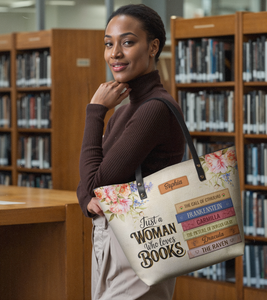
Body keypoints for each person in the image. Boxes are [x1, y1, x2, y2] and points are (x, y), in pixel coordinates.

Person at [77, 4, 185, 300]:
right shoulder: (125, 112)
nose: (115, 53)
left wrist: (95, 111)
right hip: (113, 240)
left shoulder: (154, 110)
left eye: (127, 42)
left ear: (153, 47)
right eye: (108, 44)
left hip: (142, 243)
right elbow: (87, 185)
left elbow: (97, 183)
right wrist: (87, 196)